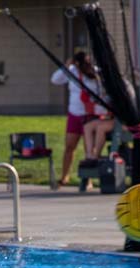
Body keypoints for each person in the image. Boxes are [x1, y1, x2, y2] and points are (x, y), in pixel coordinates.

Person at [50, 51, 103, 187]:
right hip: (74, 114)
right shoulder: (72, 71)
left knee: (89, 149)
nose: (86, 65)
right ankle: (65, 176)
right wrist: (67, 66)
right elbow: (55, 80)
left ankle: (88, 179)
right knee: (69, 146)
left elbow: (101, 92)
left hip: (90, 116)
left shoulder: (95, 73)